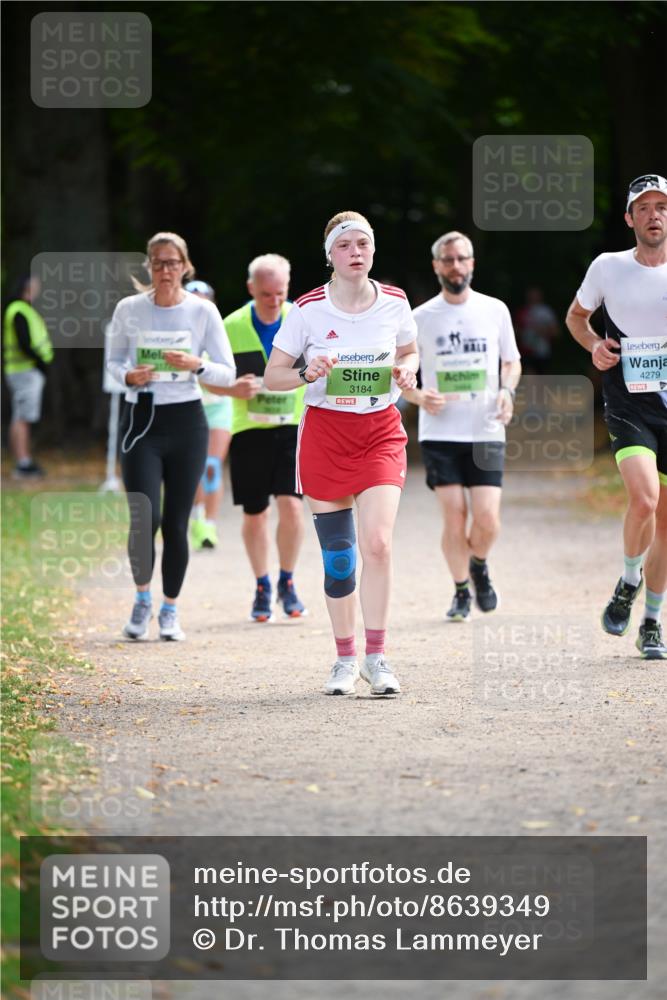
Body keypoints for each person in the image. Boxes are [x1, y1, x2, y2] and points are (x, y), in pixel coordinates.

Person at [264, 211, 419, 695]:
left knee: (378, 543)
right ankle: (344, 658)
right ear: (329, 254)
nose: (357, 252)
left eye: (364, 244)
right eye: (346, 245)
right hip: (326, 435)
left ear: (373, 251)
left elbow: (410, 351)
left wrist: (407, 371)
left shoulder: (394, 301)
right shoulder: (308, 309)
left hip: (379, 432)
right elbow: (273, 377)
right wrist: (310, 372)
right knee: (340, 558)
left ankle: (377, 657)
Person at [106, 232, 236, 641]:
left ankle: (170, 610)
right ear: (149, 266)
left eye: (173, 263)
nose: (165, 270)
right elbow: (111, 362)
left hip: (187, 422)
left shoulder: (202, 312)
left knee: (177, 522)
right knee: (146, 517)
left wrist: (198, 364)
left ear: (185, 266)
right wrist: (128, 375)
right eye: (158, 263)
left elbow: (227, 373)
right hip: (141, 419)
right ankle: (142, 599)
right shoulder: (129, 309)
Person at [566, 173, 667, 660]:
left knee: (666, 525)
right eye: (644, 208)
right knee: (644, 500)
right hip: (629, 402)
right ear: (629, 219)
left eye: (662, 207)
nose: (654, 215)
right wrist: (595, 347)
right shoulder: (608, 267)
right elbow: (575, 318)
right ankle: (628, 581)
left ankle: (651, 621)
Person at [403, 231, 522, 622]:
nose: (456, 266)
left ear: (472, 263)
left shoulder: (495, 309)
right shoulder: (419, 317)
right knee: (453, 515)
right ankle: (459, 592)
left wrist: (507, 391)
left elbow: (511, 361)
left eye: (462, 258)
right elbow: (403, 373)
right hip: (440, 432)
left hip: (486, 428)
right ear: (437, 265)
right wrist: (420, 398)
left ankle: (479, 565)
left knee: (487, 519)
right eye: (448, 259)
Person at [208, 254, 307, 622]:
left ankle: (288, 580)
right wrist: (232, 390)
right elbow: (208, 377)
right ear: (251, 288)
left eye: (280, 293)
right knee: (255, 515)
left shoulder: (301, 320)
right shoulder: (230, 325)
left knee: (293, 506)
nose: (274, 300)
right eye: (266, 294)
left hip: (293, 426)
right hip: (249, 429)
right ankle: (262, 585)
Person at [184, 280, 232, 551]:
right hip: (189, 408)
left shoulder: (223, 333)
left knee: (212, 467)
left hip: (219, 406)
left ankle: (209, 526)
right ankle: (196, 515)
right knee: (193, 469)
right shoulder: (176, 335)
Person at [3, 275, 53, 478]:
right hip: (25, 371)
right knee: (23, 418)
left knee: (19, 416)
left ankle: (22, 461)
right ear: (27, 288)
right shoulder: (19, 310)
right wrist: (40, 363)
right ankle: (23, 462)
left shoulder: (23, 310)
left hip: (21, 371)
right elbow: (25, 343)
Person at [514, 287, 559, 375]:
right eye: (531, 295)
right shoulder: (522, 311)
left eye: (535, 295)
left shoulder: (546, 312)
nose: (533, 297)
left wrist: (543, 331)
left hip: (542, 351)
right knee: (529, 375)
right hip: (525, 351)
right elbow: (515, 330)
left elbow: (556, 332)